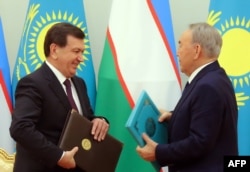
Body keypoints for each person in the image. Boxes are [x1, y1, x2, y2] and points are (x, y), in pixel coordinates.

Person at [136, 22, 238, 172]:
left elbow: (200, 142)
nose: (177, 53)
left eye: (181, 45)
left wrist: (158, 152)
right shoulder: (214, 77)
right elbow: (207, 121)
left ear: (196, 50)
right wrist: (174, 116)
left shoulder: (207, 86)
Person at [9, 22, 109, 172]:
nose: (81, 58)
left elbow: (85, 118)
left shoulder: (79, 83)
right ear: (54, 50)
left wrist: (98, 121)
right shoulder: (32, 83)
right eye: (76, 51)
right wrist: (59, 156)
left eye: (82, 52)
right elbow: (21, 128)